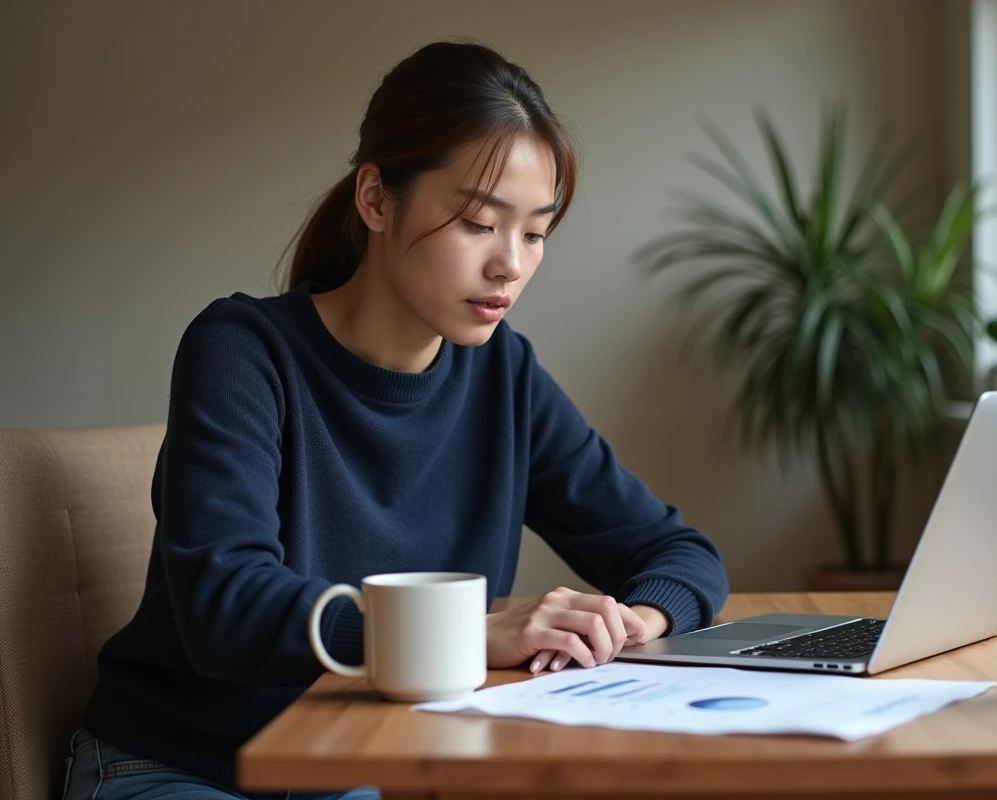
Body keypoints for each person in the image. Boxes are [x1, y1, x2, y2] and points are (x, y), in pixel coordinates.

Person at [63, 39, 728, 800]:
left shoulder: (502, 373)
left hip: (361, 768)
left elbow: (677, 551)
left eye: (536, 231)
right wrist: (464, 639)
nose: (511, 263)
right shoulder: (241, 351)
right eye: (480, 222)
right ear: (376, 198)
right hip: (179, 767)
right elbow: (228, 604)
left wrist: (634, 622)